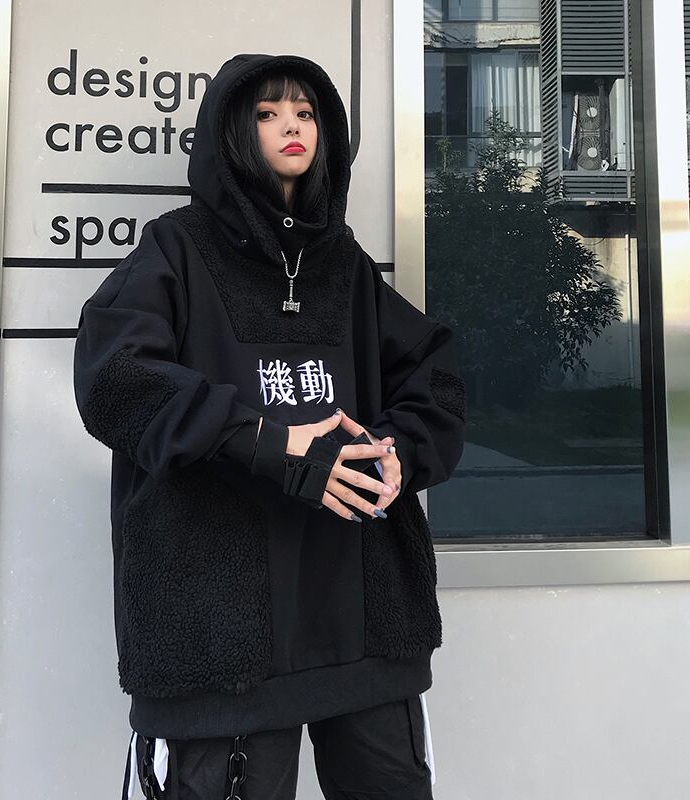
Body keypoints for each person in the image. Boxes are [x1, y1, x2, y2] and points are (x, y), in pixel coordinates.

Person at [73, 52, 465, 800]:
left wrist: (398, 452)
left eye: (307, 112)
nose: (292, 126)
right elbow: (115, 377)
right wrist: (272, 442)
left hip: (359, 619)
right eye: (267, 112)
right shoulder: (176, 249)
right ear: (230, 132)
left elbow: (432, 374)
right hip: (222, 630)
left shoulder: (344, 265)